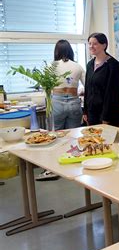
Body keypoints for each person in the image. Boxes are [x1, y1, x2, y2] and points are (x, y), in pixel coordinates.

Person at [36, 39, 85, 181]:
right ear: (70, 50)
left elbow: (43, 87)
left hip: (56, 102)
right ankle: (72, 167)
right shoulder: (77, 66)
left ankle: (53, 170)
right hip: (74, 102)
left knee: (55, 136)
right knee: (73, 136)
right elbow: (88, 85)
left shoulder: (52, 66)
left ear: (56, 51)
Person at [83, 33, 119, 126]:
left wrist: (106, 117)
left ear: (104, 45)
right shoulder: (90, 65)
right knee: (91, 140)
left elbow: (112, 94)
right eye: (89, 43)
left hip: (108, 114)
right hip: (92, 112)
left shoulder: (113, 65)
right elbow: (87, 89)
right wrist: (85, 111)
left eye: (95, 44)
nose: (91, 46)